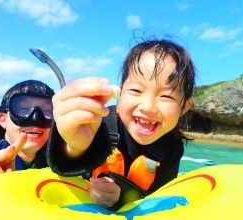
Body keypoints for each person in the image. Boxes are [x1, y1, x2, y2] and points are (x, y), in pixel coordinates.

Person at [46, 39, 195, 210]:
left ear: (184, 107)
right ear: (120, 92)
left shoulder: (171, 148)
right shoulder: (100, 121)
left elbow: (158, 201)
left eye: (166, 96)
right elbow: (64, 165)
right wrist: (74, 146)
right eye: (136, 91)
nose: (148, 107)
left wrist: (121, 196)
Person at [0, 80, 54, 177]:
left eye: (46, 111)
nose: (36, 119)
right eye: (23, 109)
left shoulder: (61, 156)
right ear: (3, 120)